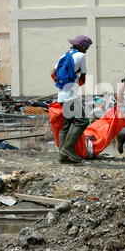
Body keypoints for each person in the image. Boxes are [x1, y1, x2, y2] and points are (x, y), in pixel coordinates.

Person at [51, 35, 92, 163]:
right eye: (86, 47)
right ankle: (67, 149)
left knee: (67, 125)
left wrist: (62, 85)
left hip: (62, 95)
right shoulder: (81, 56)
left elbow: (53, 73)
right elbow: (83, 77)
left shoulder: (64, 55)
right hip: (71, 95)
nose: (87, 50)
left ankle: (62, 157)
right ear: (81, 46)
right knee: (83, 121)